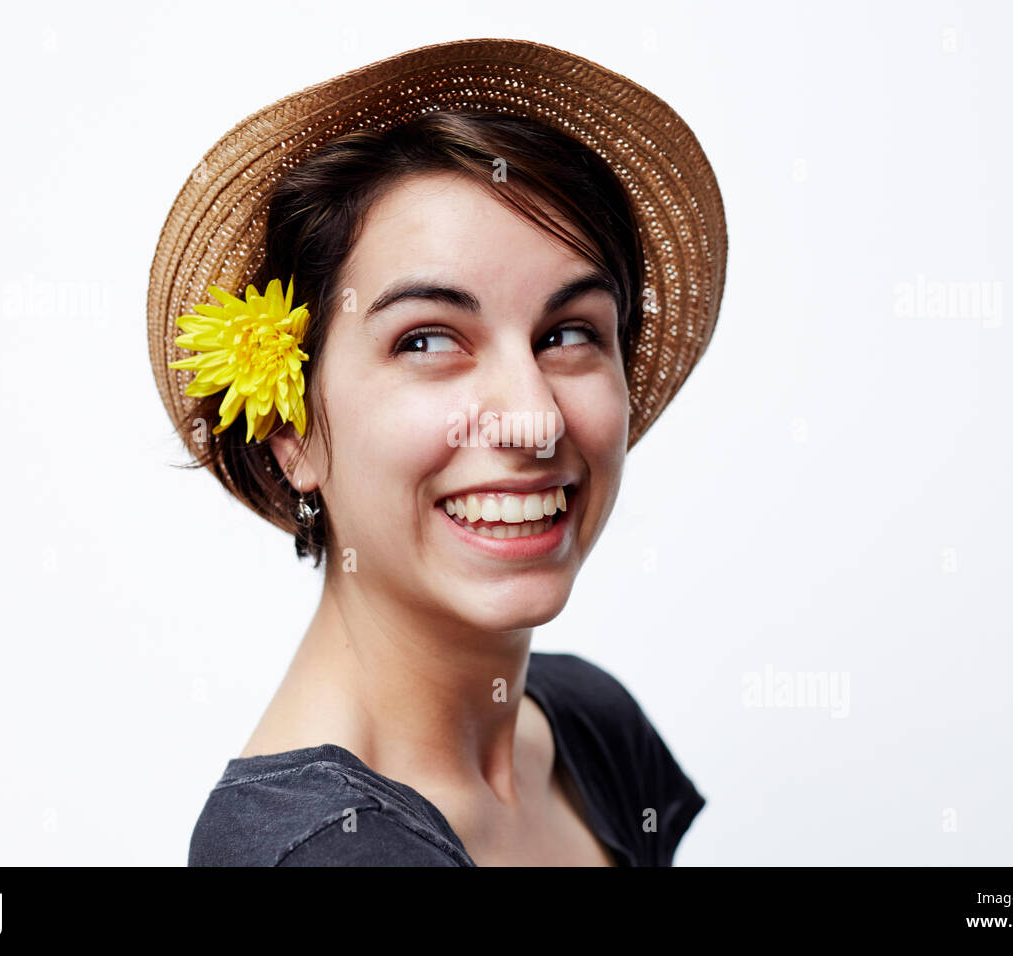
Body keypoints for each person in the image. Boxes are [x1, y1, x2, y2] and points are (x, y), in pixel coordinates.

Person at [147, 39, 727, 866]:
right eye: (426, 341)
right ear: (291, 431)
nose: (533, 420)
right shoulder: (317, 853)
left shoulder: (592, 727)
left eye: (568, 334)